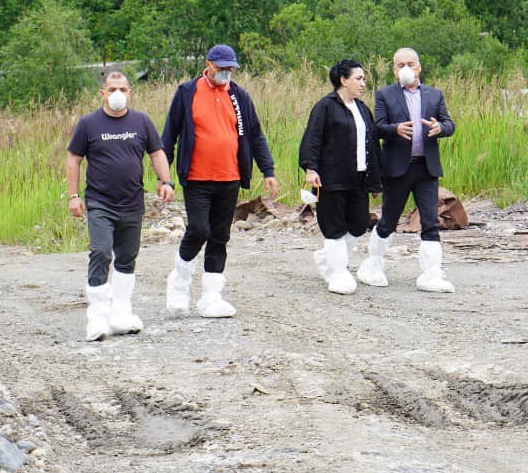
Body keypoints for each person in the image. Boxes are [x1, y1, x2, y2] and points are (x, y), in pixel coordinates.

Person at [162, 45, 280, 318]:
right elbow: (169, 135)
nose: (226, 72)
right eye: (221, 67)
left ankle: (211, 297)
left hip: (229, 178)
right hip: (196, 178)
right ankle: (179, 282)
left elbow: (255, 135)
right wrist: (164, 177)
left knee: (220, 235)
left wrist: (268, 170)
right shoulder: (187, 92)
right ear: (209, 65)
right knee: (198, 230)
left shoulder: (239, 96)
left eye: (230, 68)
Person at [67, 71, 175, 340]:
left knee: (127, 258)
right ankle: (98, 316)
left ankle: (121, 314)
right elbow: (74, 159)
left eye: (123, 89)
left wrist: (166, 181)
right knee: (101, 252)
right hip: (100, 202)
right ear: (103, 93)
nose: (118, 94)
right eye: (113, 89)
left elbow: (156, 152)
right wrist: (73, 196)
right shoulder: (88, 124)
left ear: (130, 92)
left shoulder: (141, 121)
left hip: (132, 201)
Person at [364, 48, 457, 292]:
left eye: (410, 64)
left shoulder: (434, 95)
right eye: (400, 65)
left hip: (426, 168)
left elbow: (449, 123)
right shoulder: (384, 95)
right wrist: (395, 129)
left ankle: (431, 274)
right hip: (397, 169)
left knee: (431, 221)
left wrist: (440, 128)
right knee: (389, 220)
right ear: (394, 70)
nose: (406, 68)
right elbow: (377, 127)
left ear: (419, 67)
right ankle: (372, 265)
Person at [299, 60, 383, 296]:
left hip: (359, 178)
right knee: (334, 228)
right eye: (358, 78)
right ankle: (337, 274)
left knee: (358, 225)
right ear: (343, 80)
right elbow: (312, 139)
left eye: (364, 79)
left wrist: (376, 180)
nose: (363, 83)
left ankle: (327, 259)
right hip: (331, 178)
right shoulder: (325, 106)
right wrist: (310, 169)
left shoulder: (362, 109)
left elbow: (373, 145)